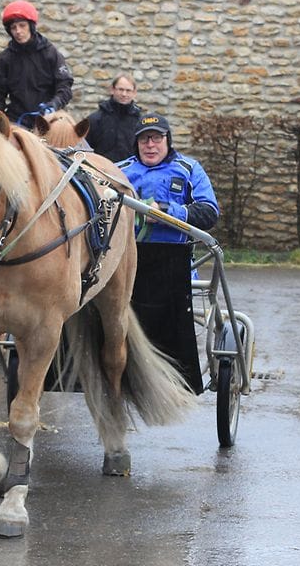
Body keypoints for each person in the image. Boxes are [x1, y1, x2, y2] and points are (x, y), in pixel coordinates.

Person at [119, 113, 219, 394]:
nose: (150, 145)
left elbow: (209, 212)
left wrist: (166, 212)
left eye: (156, 138)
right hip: (127, 262)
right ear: (136, 143)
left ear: (167, 140)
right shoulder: (119, 170)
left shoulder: (188, 168)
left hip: (173, 265)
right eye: (144, 139)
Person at [0, 0, 73, 127]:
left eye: (22, 25)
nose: (18, 31)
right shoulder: (5, 59)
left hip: (48, 118)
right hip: (17, 120)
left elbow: (64, 86)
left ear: (31, 26)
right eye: (13, 27)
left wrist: (54, 105)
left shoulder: (50, 53)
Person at [85, 74, 142, 162]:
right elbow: (84, 150)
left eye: (128, 90)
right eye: (121, 89)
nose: (124, 94)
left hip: (130, 172)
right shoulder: (94, 120)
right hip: (100, 171)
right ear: (112, 90)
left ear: (134, 93)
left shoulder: (140, 122)